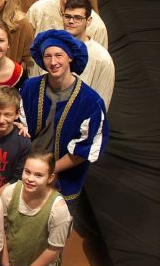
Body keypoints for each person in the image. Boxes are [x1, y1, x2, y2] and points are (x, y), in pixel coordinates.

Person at [19, 29, 109, 207]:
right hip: (26, 171)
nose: (53, 62)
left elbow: (84, 150)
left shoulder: (91, 102)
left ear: (70, 57)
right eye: (48, 56)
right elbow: (20, 126)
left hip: (63, 179)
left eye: (59, 55)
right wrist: (31, 170)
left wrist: (49, 171)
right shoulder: (29, 88)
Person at [57, 0, 114, 108]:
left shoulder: (101, 58)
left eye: (77, 18)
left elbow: (102, 102)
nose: (71, 21)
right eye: (67, 16)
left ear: (88, 21)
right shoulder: (52, 47)